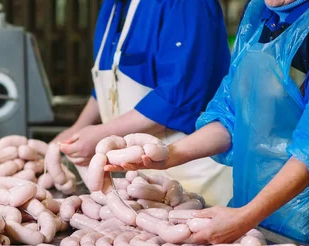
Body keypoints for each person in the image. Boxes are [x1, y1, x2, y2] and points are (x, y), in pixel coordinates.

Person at [106, 0, 309, 246]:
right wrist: (169, 154)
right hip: (260, 210)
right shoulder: (262, 15)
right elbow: (233, 116)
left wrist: (245, 217)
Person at [52, 0, 234, 207]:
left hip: (194, 172)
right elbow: (107, 85)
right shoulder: (114, 6)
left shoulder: (187, 4)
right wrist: (77, 129)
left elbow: (174, 99)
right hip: (142, 176)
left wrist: (102, 133)